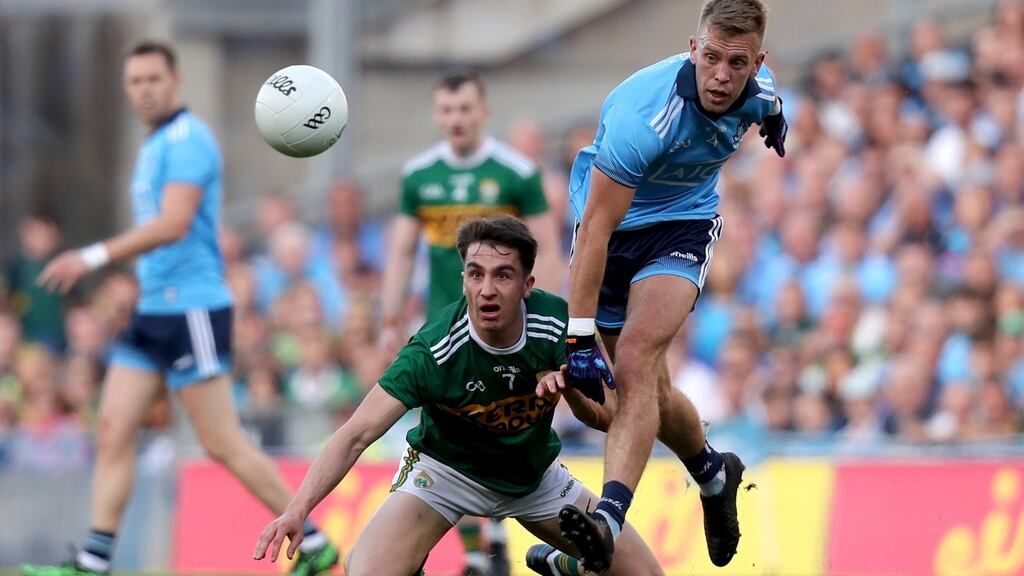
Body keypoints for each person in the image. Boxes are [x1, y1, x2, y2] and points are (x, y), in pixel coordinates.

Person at [21, 41, 338, 576]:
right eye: (135, 80)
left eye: (154, 78)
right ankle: (94, 561)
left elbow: (173, 224)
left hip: (192, 310)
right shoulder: (154, 144)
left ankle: (313, 540)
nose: (144, 89)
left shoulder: (190, 140)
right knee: (113, 427)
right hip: (152, 311)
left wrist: (93, 256)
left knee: (222, 443)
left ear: (176, 81)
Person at [254, 216, 663, 576]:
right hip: (445, 474)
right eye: (476, 274)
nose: (487, 289)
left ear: (527, 285)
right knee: (365, 570)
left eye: (503, 275)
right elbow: (356, 434)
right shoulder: (433, 351)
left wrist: (572, 387)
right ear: (464, 279)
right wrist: (298, 509)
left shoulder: (557, 323)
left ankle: (566, 566)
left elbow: (609, 417)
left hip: (533, 479)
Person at [558, 0, 787, 571]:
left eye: (737, 64)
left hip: (684, 226)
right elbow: (594, 229)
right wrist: (578, 335)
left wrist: (775, 118)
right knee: (641, 395)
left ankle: (607, 521)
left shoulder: (760, 91)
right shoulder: (643, 117)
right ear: (692, 49)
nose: (721, 76)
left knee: (636, 360)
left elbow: (769, 101)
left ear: (758, 63)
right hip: (611, 233)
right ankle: (713, 473)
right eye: (711, 58)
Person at [378, 70, 561, 575]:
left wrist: (550, 325)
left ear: (483, 112)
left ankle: (491, 538)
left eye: (464, 108)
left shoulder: (516, 172)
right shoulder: (419, 175)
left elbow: (547, 248)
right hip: (446, 330)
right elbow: (402, 250)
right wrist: (390, 318)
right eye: (447, 109)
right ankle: (480, 552)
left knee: (499, 419)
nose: (456, 118)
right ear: (436, 115)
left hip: (505, 329)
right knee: (446, 430)